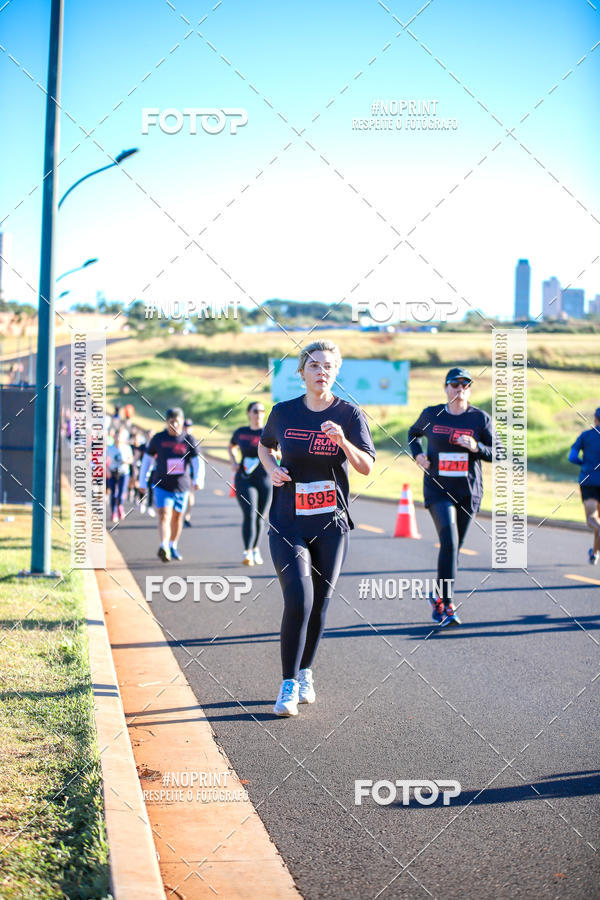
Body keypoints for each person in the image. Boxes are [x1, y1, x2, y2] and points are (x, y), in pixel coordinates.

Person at [258, 341, 376, 717]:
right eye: (314, 365)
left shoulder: (349, 414)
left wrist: (343, 441)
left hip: (330, 523)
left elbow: (366, 466)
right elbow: (265, 446)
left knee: (320, 602)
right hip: (287, 520)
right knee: (299, 598)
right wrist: (271, 469)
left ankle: (305, 671)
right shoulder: (283, 412)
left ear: (336, 372)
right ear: (302, 372)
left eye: (328, 366)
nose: (321, 371)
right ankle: (288, 684)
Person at [408, 367, 497, 627]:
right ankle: (446, 604)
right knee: (449, 540)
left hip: (468, 492)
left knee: (454, 548)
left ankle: (437, 595)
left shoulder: (480, 419)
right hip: (438, 489)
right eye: (454, 385)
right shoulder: (432, 414)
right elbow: (413, 434)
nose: (460, 390)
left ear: (469, 390)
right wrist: (418, 455)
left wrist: (477, 447)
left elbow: (498, 452)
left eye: (465, 385)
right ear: (446, 388)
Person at [138, 408, 202, 562]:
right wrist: (142, 480)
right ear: (167, 422)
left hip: (182, 486)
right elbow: (147, 460)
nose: (175, 424)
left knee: (177, 518)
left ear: (182, 421)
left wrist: (198, 479)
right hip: (162, 485)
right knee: (164, 515)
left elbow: (197, 461)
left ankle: (173, 545)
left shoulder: (189, 439)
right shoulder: (158, 438)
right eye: (171, 421)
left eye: (177, 421)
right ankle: (164, 546)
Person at [229, 402, 272, 565]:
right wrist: (233, 461)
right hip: (244, 478)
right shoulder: (241, 432)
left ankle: (255, 549)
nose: (258, 414)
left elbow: (281, 451)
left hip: (264, 478)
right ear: (249, 413)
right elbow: (231, 446)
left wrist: (274, 455)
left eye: (262, 411)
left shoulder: (269, 431)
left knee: (260, 516)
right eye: (255, 411)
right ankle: (247, 552)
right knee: (249, 513)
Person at [568, 408, 600, 564]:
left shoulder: (585, 436)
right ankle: (594, 554)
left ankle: (594, 553)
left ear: (595, 418)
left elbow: (572, 457)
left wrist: (585, 464)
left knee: (592, 519)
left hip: (589, 481)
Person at [107, 427, 134, 523]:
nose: (118, 439)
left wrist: (126, 461)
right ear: (114, 437)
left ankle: (120, 506)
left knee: (121, 493)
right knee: (113, 493)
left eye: (120, 437)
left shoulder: (127, 448)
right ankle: (113, 512)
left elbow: (131, 459)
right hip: (113, 472)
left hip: (124, 473)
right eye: (117, 437)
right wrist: (107, 470)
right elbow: (104, 460)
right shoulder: (109, 448)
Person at [183, 418, 206, 527]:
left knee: (190, 494)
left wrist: (198, 478)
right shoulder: (179, 439)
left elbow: (198, 458)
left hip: (190, 472)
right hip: (180, 472)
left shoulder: (192, 440)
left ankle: (187, 517)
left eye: (189, 427)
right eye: (185, 427)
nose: (187, 429)